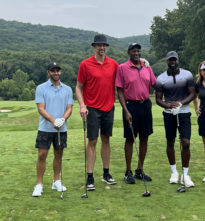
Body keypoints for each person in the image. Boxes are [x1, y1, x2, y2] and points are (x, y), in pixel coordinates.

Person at [76, 34, 118, 190]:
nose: (102, 48)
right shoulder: (85, 64)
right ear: (94, 46)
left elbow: (124, 78)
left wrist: (143, 64)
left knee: (106, 140)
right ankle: (90, 176)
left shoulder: (113, 64)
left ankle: (106, 174)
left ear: (106, 47)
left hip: (108, 107)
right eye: (99, 45)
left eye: (104, 45)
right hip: (92, 108)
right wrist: (82, 105)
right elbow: (79, 87)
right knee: (92, 141)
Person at [115, 43, 156, 184]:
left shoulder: (146, 67)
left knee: (145, 138)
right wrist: (125, 110)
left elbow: (155, 83)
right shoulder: (122, 68)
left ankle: (139, 170)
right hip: (130, 106)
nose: (136, 53)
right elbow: (119, 90)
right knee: (130, 139)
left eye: (138, 51)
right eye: (133, 51)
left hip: (145, 105)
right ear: (129, 53)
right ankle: (128, 172)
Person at [32, 62, 73, 197]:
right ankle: (39, 184)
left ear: (60, 72)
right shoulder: (41, 88)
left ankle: (56, 181)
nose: (56, 73)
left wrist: (62, 119)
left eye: (58, 71)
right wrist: (53, 120)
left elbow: (69, 108)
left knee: (59, 155)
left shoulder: (67, 89)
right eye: (53, 71)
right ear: (48, 72)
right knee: (42, 155)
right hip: (45, 128)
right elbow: (41, 108)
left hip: (61, 128)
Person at [155, 51, 196, 187]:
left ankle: (185, 174)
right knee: (170, 141)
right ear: (166, 61)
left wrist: (181, 103)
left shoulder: (187, 75)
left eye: (174, 60)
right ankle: (174, 172)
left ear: (177, 61)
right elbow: (158, 99)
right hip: (169, 114)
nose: (172, 62)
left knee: (185, 142)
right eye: (170, 60)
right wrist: (169, 106)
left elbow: (192, 94)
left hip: (184, 113)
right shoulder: (160, 79)